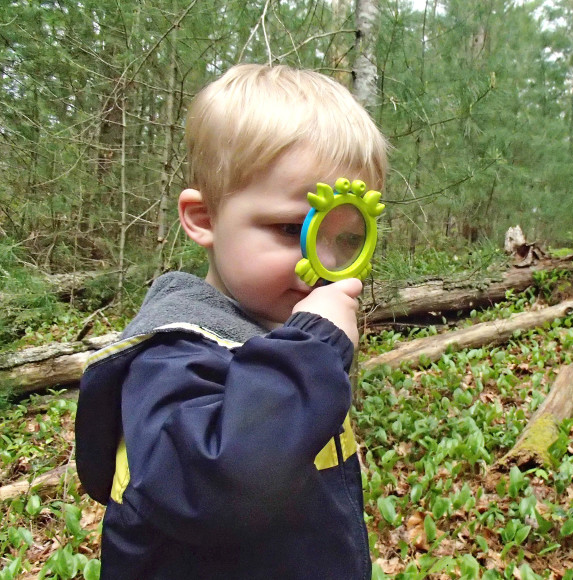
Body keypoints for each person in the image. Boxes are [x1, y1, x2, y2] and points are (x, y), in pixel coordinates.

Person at [75, 64, 388, 580]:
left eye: (349, 239)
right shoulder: (170, 356)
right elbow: (218, 485)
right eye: (293, 228)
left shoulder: (276, 335)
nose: (324, 264)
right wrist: (311, 350)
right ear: (204, 219)